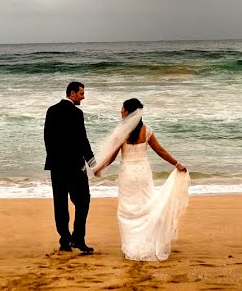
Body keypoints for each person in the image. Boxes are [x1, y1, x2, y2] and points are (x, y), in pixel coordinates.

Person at [93, 98, 190, 261]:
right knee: (145, 207)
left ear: (128, 112)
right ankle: (147, 243)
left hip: (128, 175)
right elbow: (161, 151)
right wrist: (177, 164)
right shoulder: (147, 131)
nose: (120, 111)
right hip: (143, 173)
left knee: (127, 210)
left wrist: (99, 168)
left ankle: (130, 247)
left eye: (122, 109)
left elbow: (112, 156)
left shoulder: (122, 133)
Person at [44, 81, 96, 253]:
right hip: (74, 166)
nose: (83, 97)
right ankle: (78, 239)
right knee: (83, 201)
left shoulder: (51, 111)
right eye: (81, 93)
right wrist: (92, 162)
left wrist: (53, 159)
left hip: (56, 167)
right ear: (72, 93)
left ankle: (65, 241)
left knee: (60, 204)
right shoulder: (76, 113)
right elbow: (82, 139)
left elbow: (47, 138)